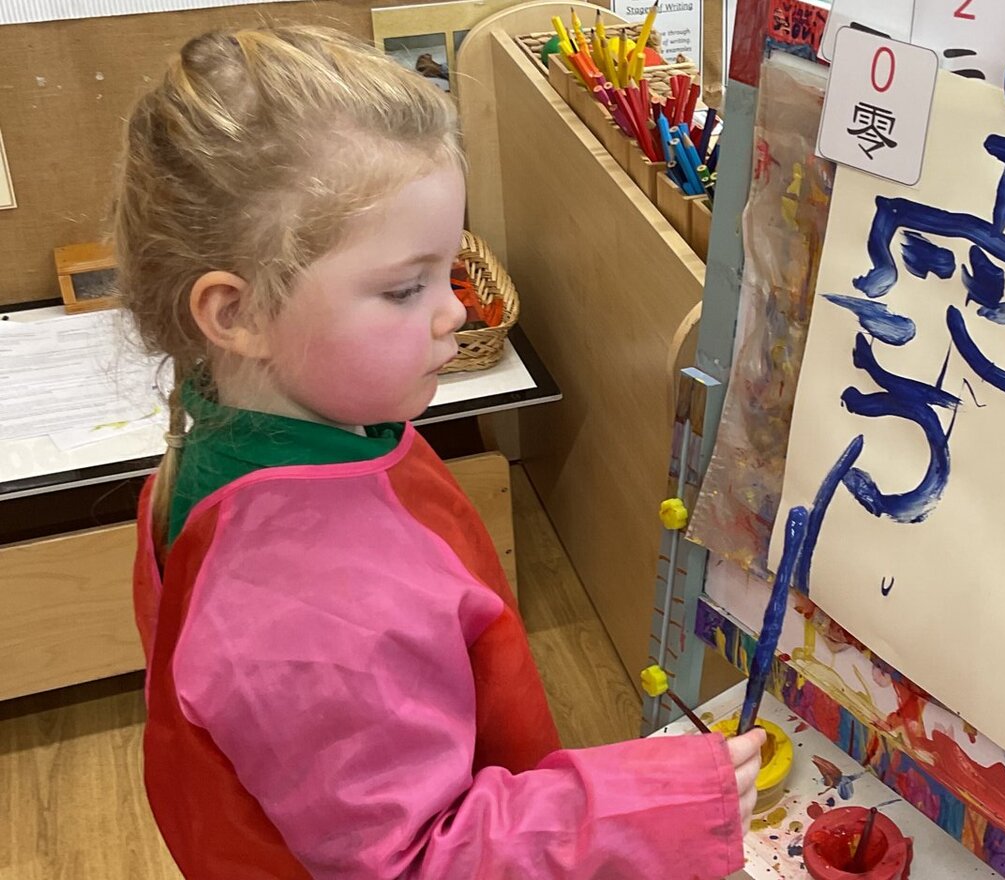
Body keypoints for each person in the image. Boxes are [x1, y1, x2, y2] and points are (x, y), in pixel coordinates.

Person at [115, 25, 764, 879]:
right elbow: (412, 860)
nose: (453, 309)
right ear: (236, 315)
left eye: (449, 269)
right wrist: (651, 804)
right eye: (403, 287)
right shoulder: (301, 607)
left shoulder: (276, 434)